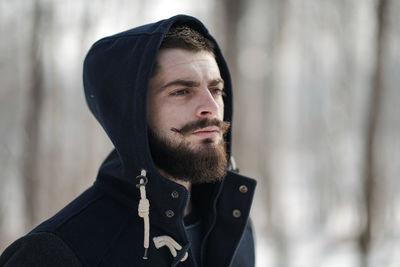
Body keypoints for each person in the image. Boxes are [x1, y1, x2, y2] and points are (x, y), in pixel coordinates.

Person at [0, 15, 257, 267]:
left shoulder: (234, 223)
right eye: (181, 91)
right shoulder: (58, 251)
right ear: (130, 113)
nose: (211, 107)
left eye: (216, 90)